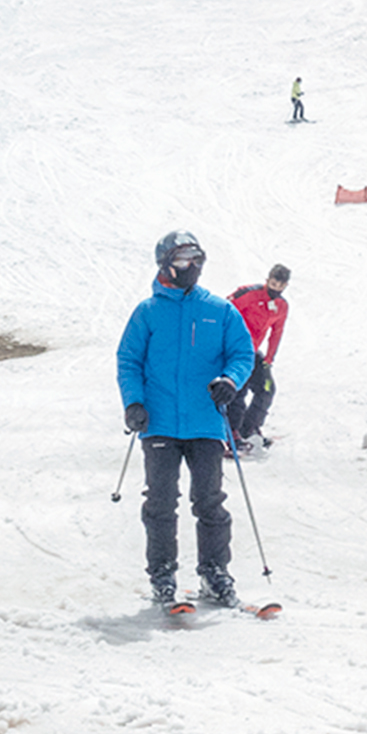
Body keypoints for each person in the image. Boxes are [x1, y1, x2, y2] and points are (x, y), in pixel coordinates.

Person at [116, 231, 255, 612]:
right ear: (165, 264)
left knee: (210, 501)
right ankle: (162, 576)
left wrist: (230, 381)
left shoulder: (219, 310)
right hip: (159, 422)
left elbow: (242, 353)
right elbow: (129, 361)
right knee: (161, 502)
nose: (191, 266)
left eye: (197, 258)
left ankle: (215, 573)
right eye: (182, 259)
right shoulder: (147, 312)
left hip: (206, 422)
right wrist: (134, 403)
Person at [225, 265, 292, 455]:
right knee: (239, 390)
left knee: (266, 388)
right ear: (268, 280)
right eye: (273, 283)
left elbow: (277, 332)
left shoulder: (281, 306)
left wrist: (269, 358)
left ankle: (250, 428)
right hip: (234, 350)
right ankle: (231, 433)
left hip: (253, 353)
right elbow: (225, 311)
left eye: (280, 285)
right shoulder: (250, 294)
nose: (276, 288)